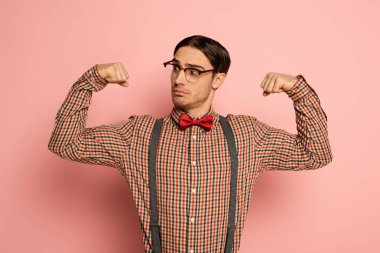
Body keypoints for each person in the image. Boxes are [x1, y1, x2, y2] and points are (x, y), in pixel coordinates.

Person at [48, 35, 333, 253]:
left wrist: (298, 90)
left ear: (218, 79)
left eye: (194, 71)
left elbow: (315, 154)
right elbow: (66, 143)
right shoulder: (137, 134)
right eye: (176, 68)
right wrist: (90, 81)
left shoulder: (247, 135)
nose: (179, 79)